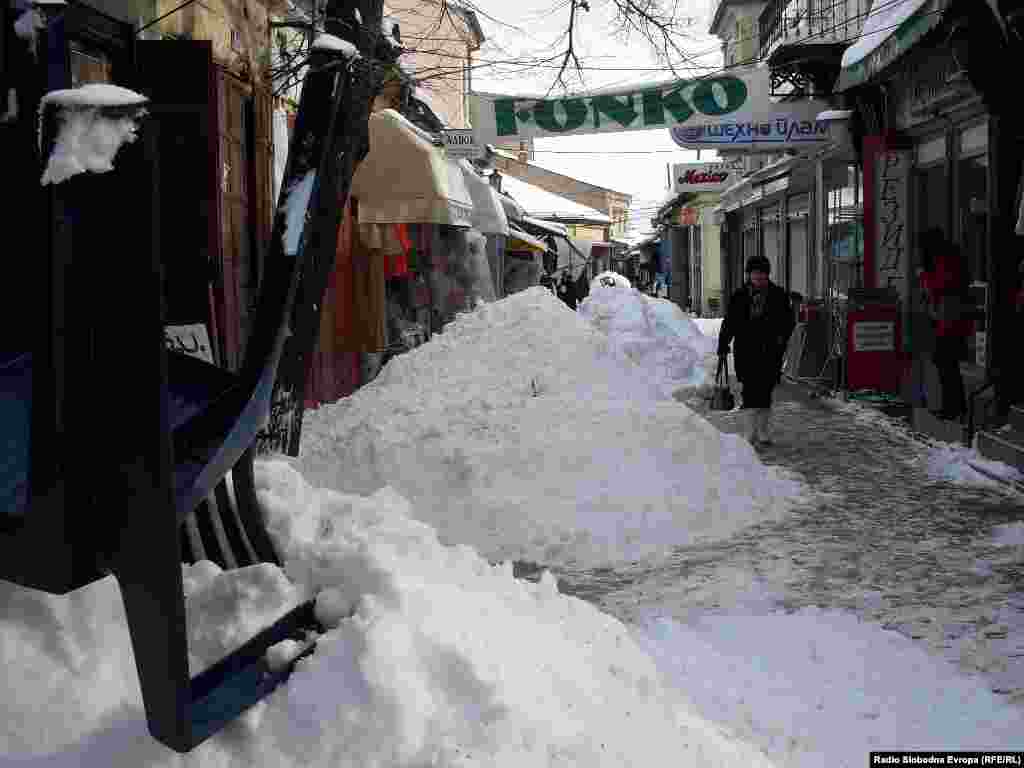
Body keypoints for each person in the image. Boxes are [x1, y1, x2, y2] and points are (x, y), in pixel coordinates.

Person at [717, 255, 795, 446]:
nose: (758, 278)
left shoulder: (778, 295)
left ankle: (763, 430)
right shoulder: (739, 296)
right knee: (750, 390)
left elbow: (788, 321)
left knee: (766, 390)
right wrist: (723, 344)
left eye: (762, 275)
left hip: (771, 351)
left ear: (767, 275)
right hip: (746, 350)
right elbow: (730, 323)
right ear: (749, 275)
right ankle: (750, 431)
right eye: (755, 274)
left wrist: (781, 338)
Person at [916, 228, 973, 421]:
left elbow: (941, 284)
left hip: (949, 317)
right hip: (948, 316)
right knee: (947, 363)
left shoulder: (943, 258)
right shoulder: (949, 255)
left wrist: (925, 277)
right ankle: (956, 407)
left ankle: (953, 408)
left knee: (945, 362)